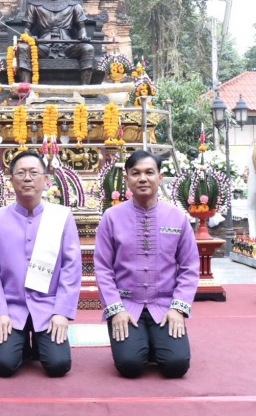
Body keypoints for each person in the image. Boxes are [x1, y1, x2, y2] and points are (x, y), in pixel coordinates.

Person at [94, 150, 199, 379]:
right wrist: (116, 309)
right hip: (126, 304)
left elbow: (190, 267)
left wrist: (178, 308)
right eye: (136, 173)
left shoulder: (177, 217)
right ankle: (140, 341)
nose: (143, 178)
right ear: (127, 178)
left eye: (149, 172)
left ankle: (153, 341)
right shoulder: (111, 217)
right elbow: (103, 268)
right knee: (130, 365)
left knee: (176, 366)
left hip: (164, 305)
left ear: (160, 177)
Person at [0, 151, 82, 377]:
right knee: (3, 366)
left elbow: (71, 268)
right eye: (21, 173)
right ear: (11, 180)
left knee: (58, 366)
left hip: (48, 308)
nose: (27, 178)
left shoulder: (61, 216)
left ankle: (38, 341)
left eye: (34, 173)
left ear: (46, 180)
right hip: (11, 308)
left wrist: (62, 313)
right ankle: (21, 341)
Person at [16, 0, 95, 86]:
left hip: (68, 45)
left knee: (88, 48)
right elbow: (27, 29)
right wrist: (29, 37)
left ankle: (85, 89)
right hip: (42, 45)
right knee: (23, 48)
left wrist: (83, 36)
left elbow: (81, 28)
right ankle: (26, 89)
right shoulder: (35, 5)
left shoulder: (74, 5)